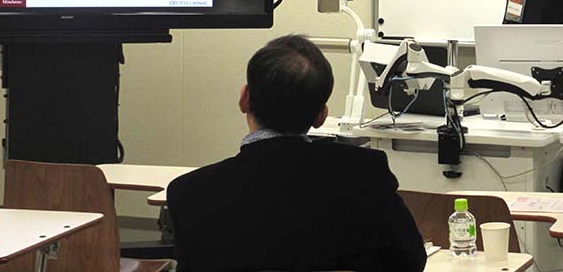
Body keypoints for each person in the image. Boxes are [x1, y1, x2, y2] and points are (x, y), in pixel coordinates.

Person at [166, 34, 427, 272]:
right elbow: (409, 261)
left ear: (244, 99)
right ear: (321, 116)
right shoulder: (365, 175)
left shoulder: (189, 195)